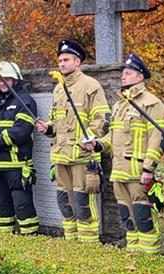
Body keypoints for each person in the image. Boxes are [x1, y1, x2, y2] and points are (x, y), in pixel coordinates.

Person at [35, 38, 110, 242]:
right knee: (65, 205)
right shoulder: (58, 89)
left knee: (82, 205)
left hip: (82, 158)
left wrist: (90, 139)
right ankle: (71, 246)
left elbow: (101, 119)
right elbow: (56, 122)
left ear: (77, 62)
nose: (62, 64)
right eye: (60, 60)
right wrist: (48, 128)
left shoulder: (90, 85)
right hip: (61, 157)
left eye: (66, 60)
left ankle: (88, 246)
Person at [93, 53, 164, 254]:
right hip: (119, 172)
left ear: (140, 76)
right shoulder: (119, 105)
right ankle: (134, 254)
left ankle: (149, 257)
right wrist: (98, 145)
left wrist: (149, 169)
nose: (123, 76)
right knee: (127, 216)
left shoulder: (151, 103)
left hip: (138, 172)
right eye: (123, 73)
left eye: (128, 73)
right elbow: (112, 136)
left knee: (143, 216)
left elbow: (158, 138)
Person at [0, 61, 39, 234]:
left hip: (16, 166)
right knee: (1, 207)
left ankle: (30, 239)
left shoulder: (25, 101)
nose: (1, 83)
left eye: (5, 79)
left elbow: (22, 131)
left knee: (23, 206)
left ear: (15, 80)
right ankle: (5, 240)